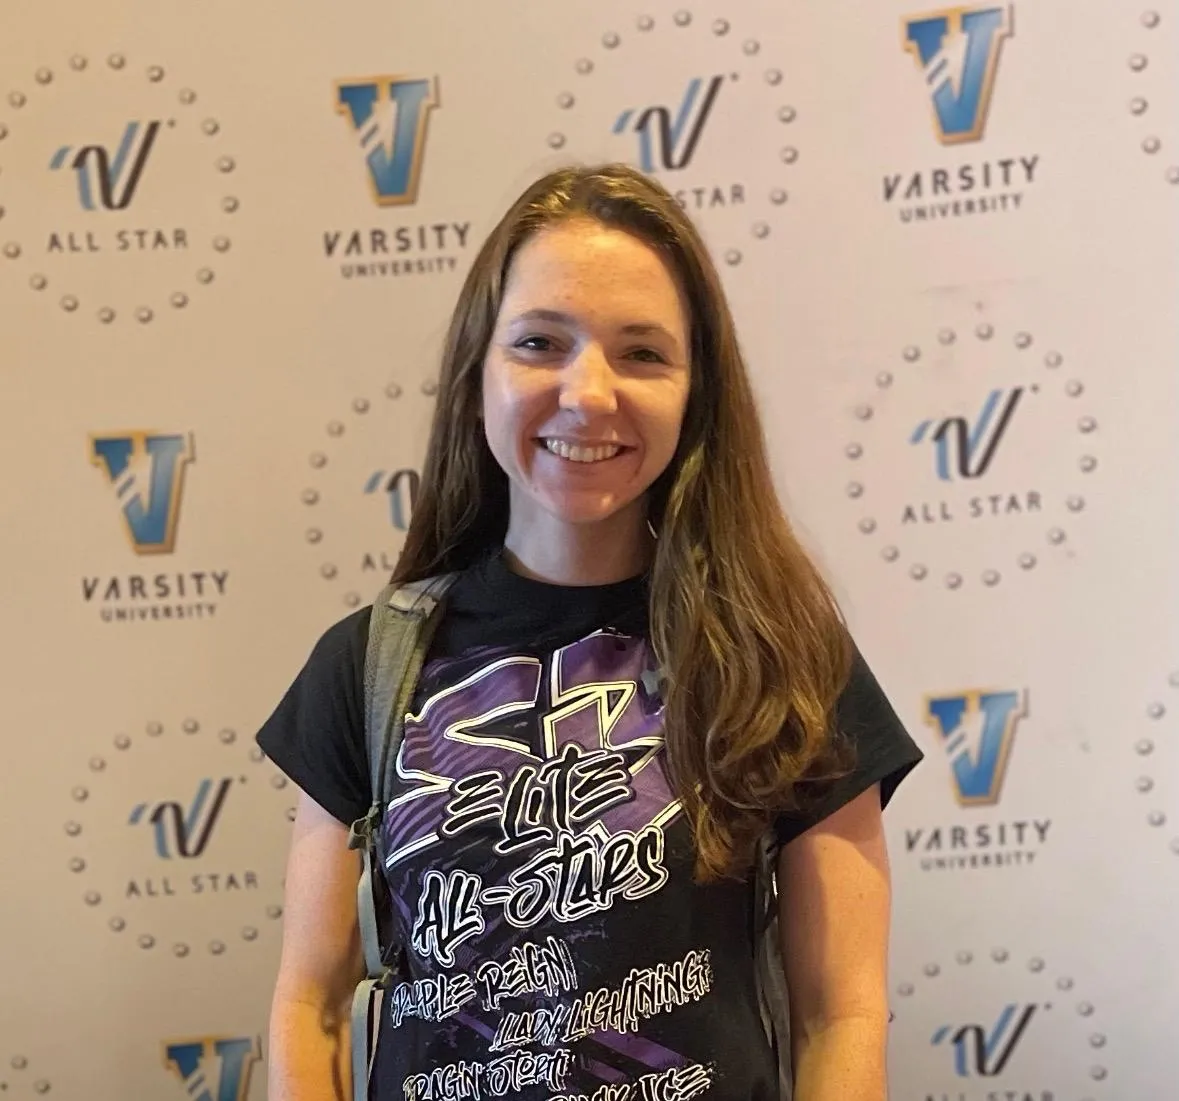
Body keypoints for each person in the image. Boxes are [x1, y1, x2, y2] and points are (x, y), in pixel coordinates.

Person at [257, 162, 923, 1101]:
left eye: (642, 353)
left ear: (695, 392)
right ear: (477, 374)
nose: (588, 392)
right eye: (540, 342)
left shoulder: (782, 657)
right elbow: (311, 1006)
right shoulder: (367, 666)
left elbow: (839, 1015)